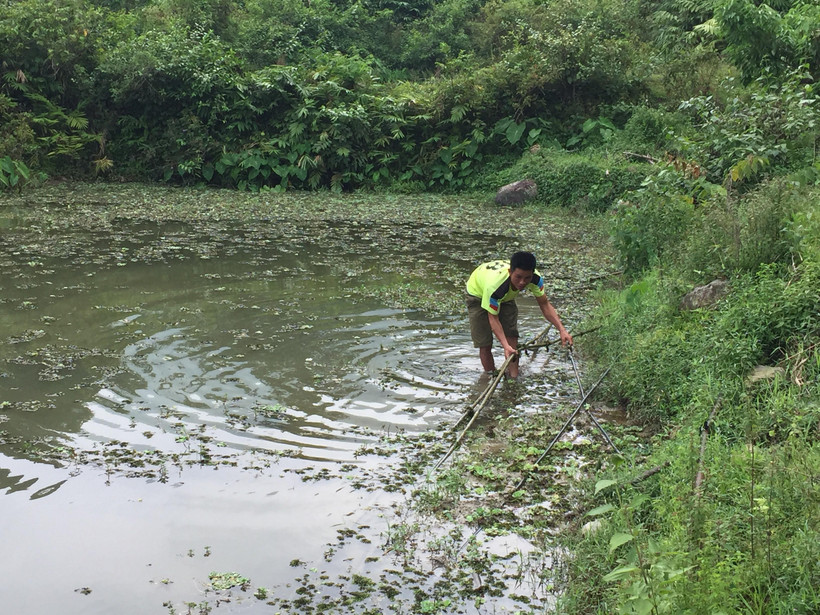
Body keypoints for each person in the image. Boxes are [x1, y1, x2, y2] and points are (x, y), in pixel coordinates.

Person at [465, 251, 572, 379]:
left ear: (532, 274)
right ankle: (491, 377)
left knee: (512, 338)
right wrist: (505, 346)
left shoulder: (536, 279)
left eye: (527, 278)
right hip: (478, 293)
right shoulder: (495, 286)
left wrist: (562, 330)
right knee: (485, 343)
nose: (522, 282)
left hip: (506, 295)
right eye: (518, 277)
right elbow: (493, 318)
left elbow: (544, 305)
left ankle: (513, 378)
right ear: (510, 272)